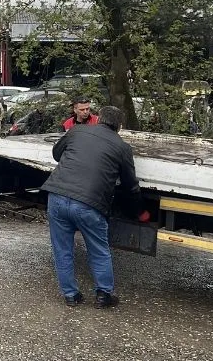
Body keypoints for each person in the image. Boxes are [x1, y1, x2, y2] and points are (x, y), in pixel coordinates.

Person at [40, 106, 149, 309]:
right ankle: (103, 295)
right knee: (98, 249)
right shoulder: (123, 148)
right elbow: (130, 185)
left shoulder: (77, 131)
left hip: (57, 196)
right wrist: (139, 211)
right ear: (120, 126)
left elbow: (56, 154)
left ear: (98, 119)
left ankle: (71, 295)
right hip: (89, 203)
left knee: (62, 249)